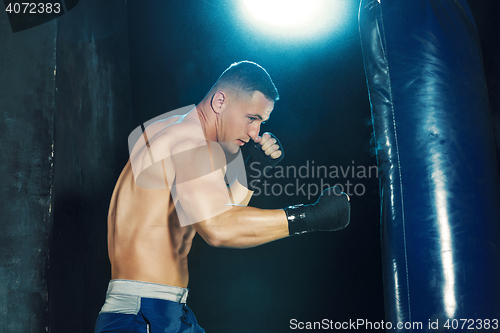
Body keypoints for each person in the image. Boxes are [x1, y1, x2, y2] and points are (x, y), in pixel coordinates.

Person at [94, 61, 351, 333]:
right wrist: (312, 216)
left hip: (153, 309)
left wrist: (252, 173)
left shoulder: (172, 129)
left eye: (261, 122)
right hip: (146, 314)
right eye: (251, 118)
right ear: (220, 101)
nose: (255, 132)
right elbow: (218, 228)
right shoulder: (190, 143)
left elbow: (218, 211)